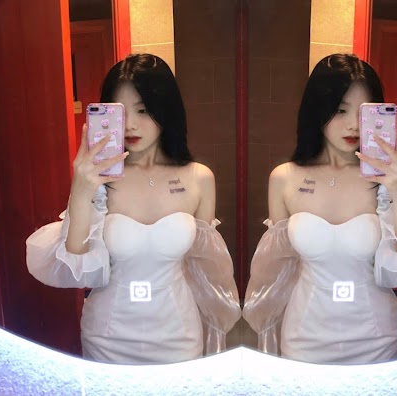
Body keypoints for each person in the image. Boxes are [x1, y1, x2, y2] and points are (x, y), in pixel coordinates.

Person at [242, 53, 397, 364]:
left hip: (375, 337)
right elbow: (280, 271)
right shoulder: (284, 179)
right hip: (304, 334)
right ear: (318, 110)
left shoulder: (384, 178)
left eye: (363, 112)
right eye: (340, 110)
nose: (353, 124)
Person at [26, 54, 241, 364]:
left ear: (165, 110)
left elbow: (203, 269)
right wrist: (81, 188)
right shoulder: (100, 178)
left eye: (143, 110)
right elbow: (76, 264)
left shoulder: (199, 178)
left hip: (179, 334)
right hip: (108, 336)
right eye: (121, 112)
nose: (131, 124)